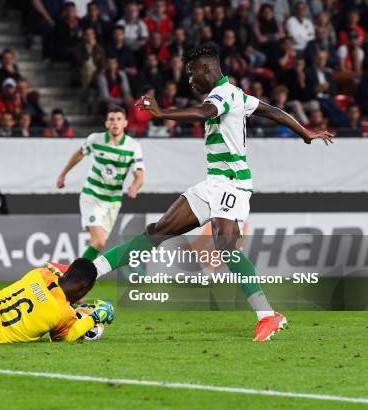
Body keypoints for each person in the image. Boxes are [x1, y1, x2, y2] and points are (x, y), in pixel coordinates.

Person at [93, 43, 333, 342]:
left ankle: (268, 315)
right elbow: (272, 111)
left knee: (225, 245)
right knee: (158, 231)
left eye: (192, 74)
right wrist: (305, 133)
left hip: (233, 183)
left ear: (207, 69)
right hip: (213, 183)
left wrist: (162, 112)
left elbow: (204, 112)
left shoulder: (222, 94)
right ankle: (91, 270)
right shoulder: (237, 95)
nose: (190, 80)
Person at [57, 105, 144, 262]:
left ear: (125, 123)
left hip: (113, 201)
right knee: (99, 240)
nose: (115, 123)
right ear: (106, 123)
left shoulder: (133, 147)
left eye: (118, 119)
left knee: (98, 245)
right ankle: (74, 275)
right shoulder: (95, 139)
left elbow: (139, 175)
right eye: (111, 119)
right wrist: (63, 175)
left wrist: (134, 186)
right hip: (92, 196)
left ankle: (77, 276)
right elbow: (79, 153)